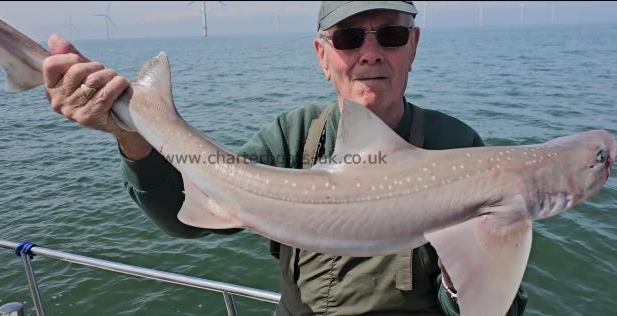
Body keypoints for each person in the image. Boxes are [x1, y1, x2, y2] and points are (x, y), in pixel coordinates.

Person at [43, 1, 527, 315]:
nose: (371, 53)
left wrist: (467, 271)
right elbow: (184, 218)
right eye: (348, 39)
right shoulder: (295, 137)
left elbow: (488, 307)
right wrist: (131, 135)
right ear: (322, 55)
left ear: (413, 46)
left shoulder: (456, 147)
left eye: (391, 36)